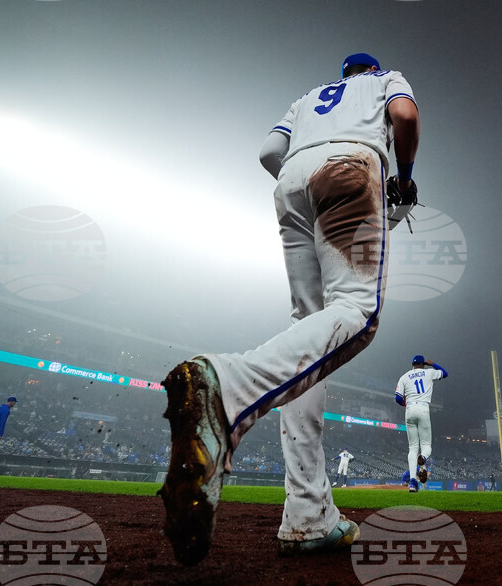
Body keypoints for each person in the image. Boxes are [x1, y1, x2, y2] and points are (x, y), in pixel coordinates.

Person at [159, 52, 420, 566]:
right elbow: (406, 116)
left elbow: (267, 151)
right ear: (370, 71)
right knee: (358, 312)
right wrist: (404, 177)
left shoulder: (307, 100)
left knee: (311, 333)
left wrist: (301, 181)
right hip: (349, 167)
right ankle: (229, 388)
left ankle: (307, 516)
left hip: (290, 183)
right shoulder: (384, 80)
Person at [394, 354, 448, 492]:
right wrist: (433, 363)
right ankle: (423, 458)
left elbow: (398, 398)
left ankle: (412, 483)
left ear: (412, 364)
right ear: (423, 364)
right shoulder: (429, 372)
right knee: (426, 446)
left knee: (412, 447)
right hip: (423, 408)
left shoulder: (404, 376)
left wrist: (407, 403)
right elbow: (445, 373)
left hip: (410, 408)